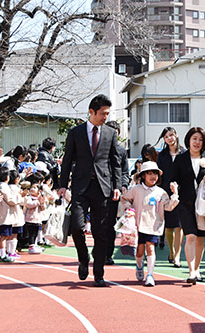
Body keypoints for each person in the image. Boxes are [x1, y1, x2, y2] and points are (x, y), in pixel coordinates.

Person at [58, 94, 122, 287]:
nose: (105, 117)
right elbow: (68, 159)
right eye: (103, 113)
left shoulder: (111, 133)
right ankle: (83, 257)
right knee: (77, 226)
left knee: (101, 231)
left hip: (103, 188)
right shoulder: (75, 133)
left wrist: (117, 186)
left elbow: (115, 162)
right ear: (92, 112)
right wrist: (62, 184)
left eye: (107, 114)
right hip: (80, 186)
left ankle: (99, 273)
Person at [121, 161, 179, 286]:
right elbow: (124, 198)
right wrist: (128, 208)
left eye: (155, 174)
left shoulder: (161, 192)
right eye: (150, 173)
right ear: (143, 175)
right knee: (140, 251)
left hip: (154, 225)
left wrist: (175, 194)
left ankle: (150, 275)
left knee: (150, 248)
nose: (153, 177)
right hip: (138, 225)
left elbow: (169, 207)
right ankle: (139, 266)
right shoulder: (136, 189)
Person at [172, 127, 205, 284]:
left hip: (204, 205)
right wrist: (173, 188)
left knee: (200, 239)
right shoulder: (180, 159)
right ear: (188, 140)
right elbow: (174, 178)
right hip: (185, 203)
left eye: (201, 140)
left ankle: (197, 269)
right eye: (195, 139)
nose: (197, 142)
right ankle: (191, 271)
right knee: (190, 236)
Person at [156, 127, 186, 267]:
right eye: (167, 136)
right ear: (164, 139)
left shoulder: (184, 154)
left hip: (182, 193)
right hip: (165, 193)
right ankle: (172, 251)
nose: (170, 138)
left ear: (176, 135)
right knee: (168, 226)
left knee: (179, 226)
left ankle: (178, 256)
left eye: (172, 135)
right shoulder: (161, 156)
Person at [104, 121, 129, 266]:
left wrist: (122, 185)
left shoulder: (121, 151)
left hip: (114, 191)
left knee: (110, 224)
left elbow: (124, 171)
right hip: (98, 189)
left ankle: (108, 254)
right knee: (98, 223)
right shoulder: (97, 148)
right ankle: (99, 250)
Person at [0, 166, 18, 263]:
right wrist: (18, 199)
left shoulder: (2, 186)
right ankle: (2, 255)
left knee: (6, 235)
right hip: (4, 215)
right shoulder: (3, 186)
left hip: (5, 214)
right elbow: (10, 200)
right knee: (3, 236)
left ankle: (5, 253)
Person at [24, 183, 46, 254]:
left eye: (35, 188)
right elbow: (29, 205)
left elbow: (43, 208)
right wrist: (38, 202)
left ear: (39, 191)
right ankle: (31, 247)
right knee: (31, 234)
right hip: (30, 219)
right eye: (32, 187)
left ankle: (35, 245)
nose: (32, 189)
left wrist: (42, 203)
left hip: (38, 219)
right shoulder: (28, 197)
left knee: (36, 233)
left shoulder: (40, 198)